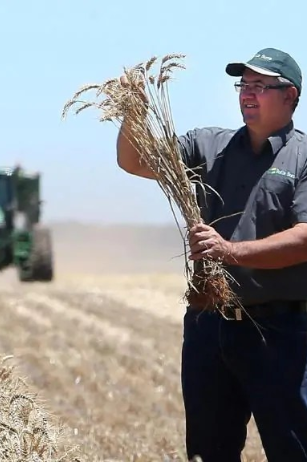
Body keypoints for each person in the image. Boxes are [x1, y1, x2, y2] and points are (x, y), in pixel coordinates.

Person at [116, 48, 307, 461]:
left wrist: (229, 250)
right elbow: (135, 161)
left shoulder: (303, 157)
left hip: (280, 331)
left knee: (293, 449)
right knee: (209, 451)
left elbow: (305, 238)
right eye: (244, 85)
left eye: (260, 86)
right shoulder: (208, 145)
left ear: (290, 95)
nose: (247, 94)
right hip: (209, 326)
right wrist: (134, 111)